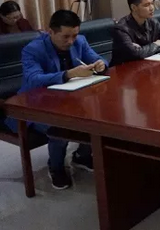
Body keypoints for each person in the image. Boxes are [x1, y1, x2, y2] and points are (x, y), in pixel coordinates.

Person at [5, 10, 107, 189]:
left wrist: (100, 64)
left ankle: (82, 156)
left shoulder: (80, 41)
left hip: (69, 99)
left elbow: (99, 59)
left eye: (74, 35)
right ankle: (56, 167)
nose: (71, 41)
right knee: (60, 127)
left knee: (98, 116)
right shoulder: (33, 49)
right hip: (35, 104)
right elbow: (34, 79)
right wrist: (68, 74)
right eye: (65, 36)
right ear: (50, 31)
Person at [110, 0, 160, 67]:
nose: (151, 8)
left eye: (152, 3)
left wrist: (146, 50)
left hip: (147, 66)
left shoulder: (153, 22)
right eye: (146, 5)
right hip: (124, 70)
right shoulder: (121, 29)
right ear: (134, 7)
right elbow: (136, 54)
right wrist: (155, 44)